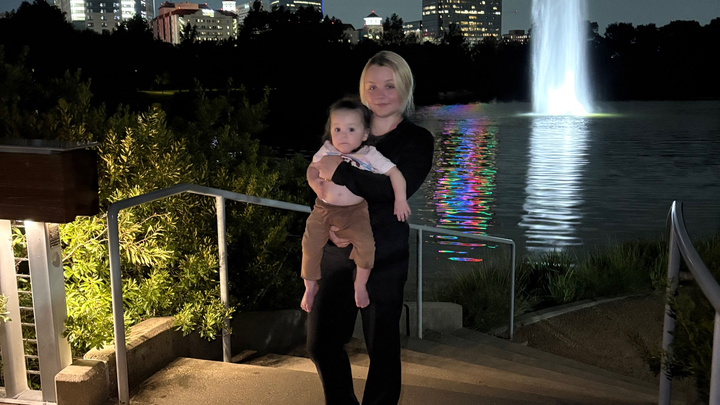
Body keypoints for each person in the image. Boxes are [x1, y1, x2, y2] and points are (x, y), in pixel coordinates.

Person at [306, 51, 435, 405]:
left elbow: (390, 190)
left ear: (405, 88)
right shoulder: (348, 127)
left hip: (384, 255)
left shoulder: (417, 140)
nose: (380, 94)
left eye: (389, 86)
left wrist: (340, 170)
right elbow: (317, 177)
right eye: (372, 86)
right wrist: (326, 217)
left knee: (382, 350)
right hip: (335, 252)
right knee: (320, 343)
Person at [301, 97, 411, 314]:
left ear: (364, 134)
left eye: (351, 129)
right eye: (338, 129)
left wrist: (400, 199)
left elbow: (395, 173)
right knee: (310, 245)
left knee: (367, 246)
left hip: (355, 212)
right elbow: (312, 168)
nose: (343, 135)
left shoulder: (369, 154)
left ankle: (360, 285)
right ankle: (310, 286)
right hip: (323, 208)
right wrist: (313, 182)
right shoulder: (327, 150)